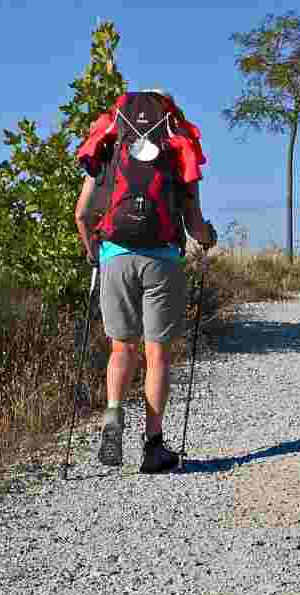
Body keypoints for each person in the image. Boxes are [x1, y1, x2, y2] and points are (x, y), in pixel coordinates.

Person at [73, 92, 216, 473]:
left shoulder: (109, 150)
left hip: (116, 258)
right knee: (157, 354)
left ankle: (114, 414)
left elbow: (83, 215)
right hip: (162, 261)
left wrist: (95, 254)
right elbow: (194, 223)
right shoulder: (176, 148)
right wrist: (207, 238)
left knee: (122, 348)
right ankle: (153, 446)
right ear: (168, 115)